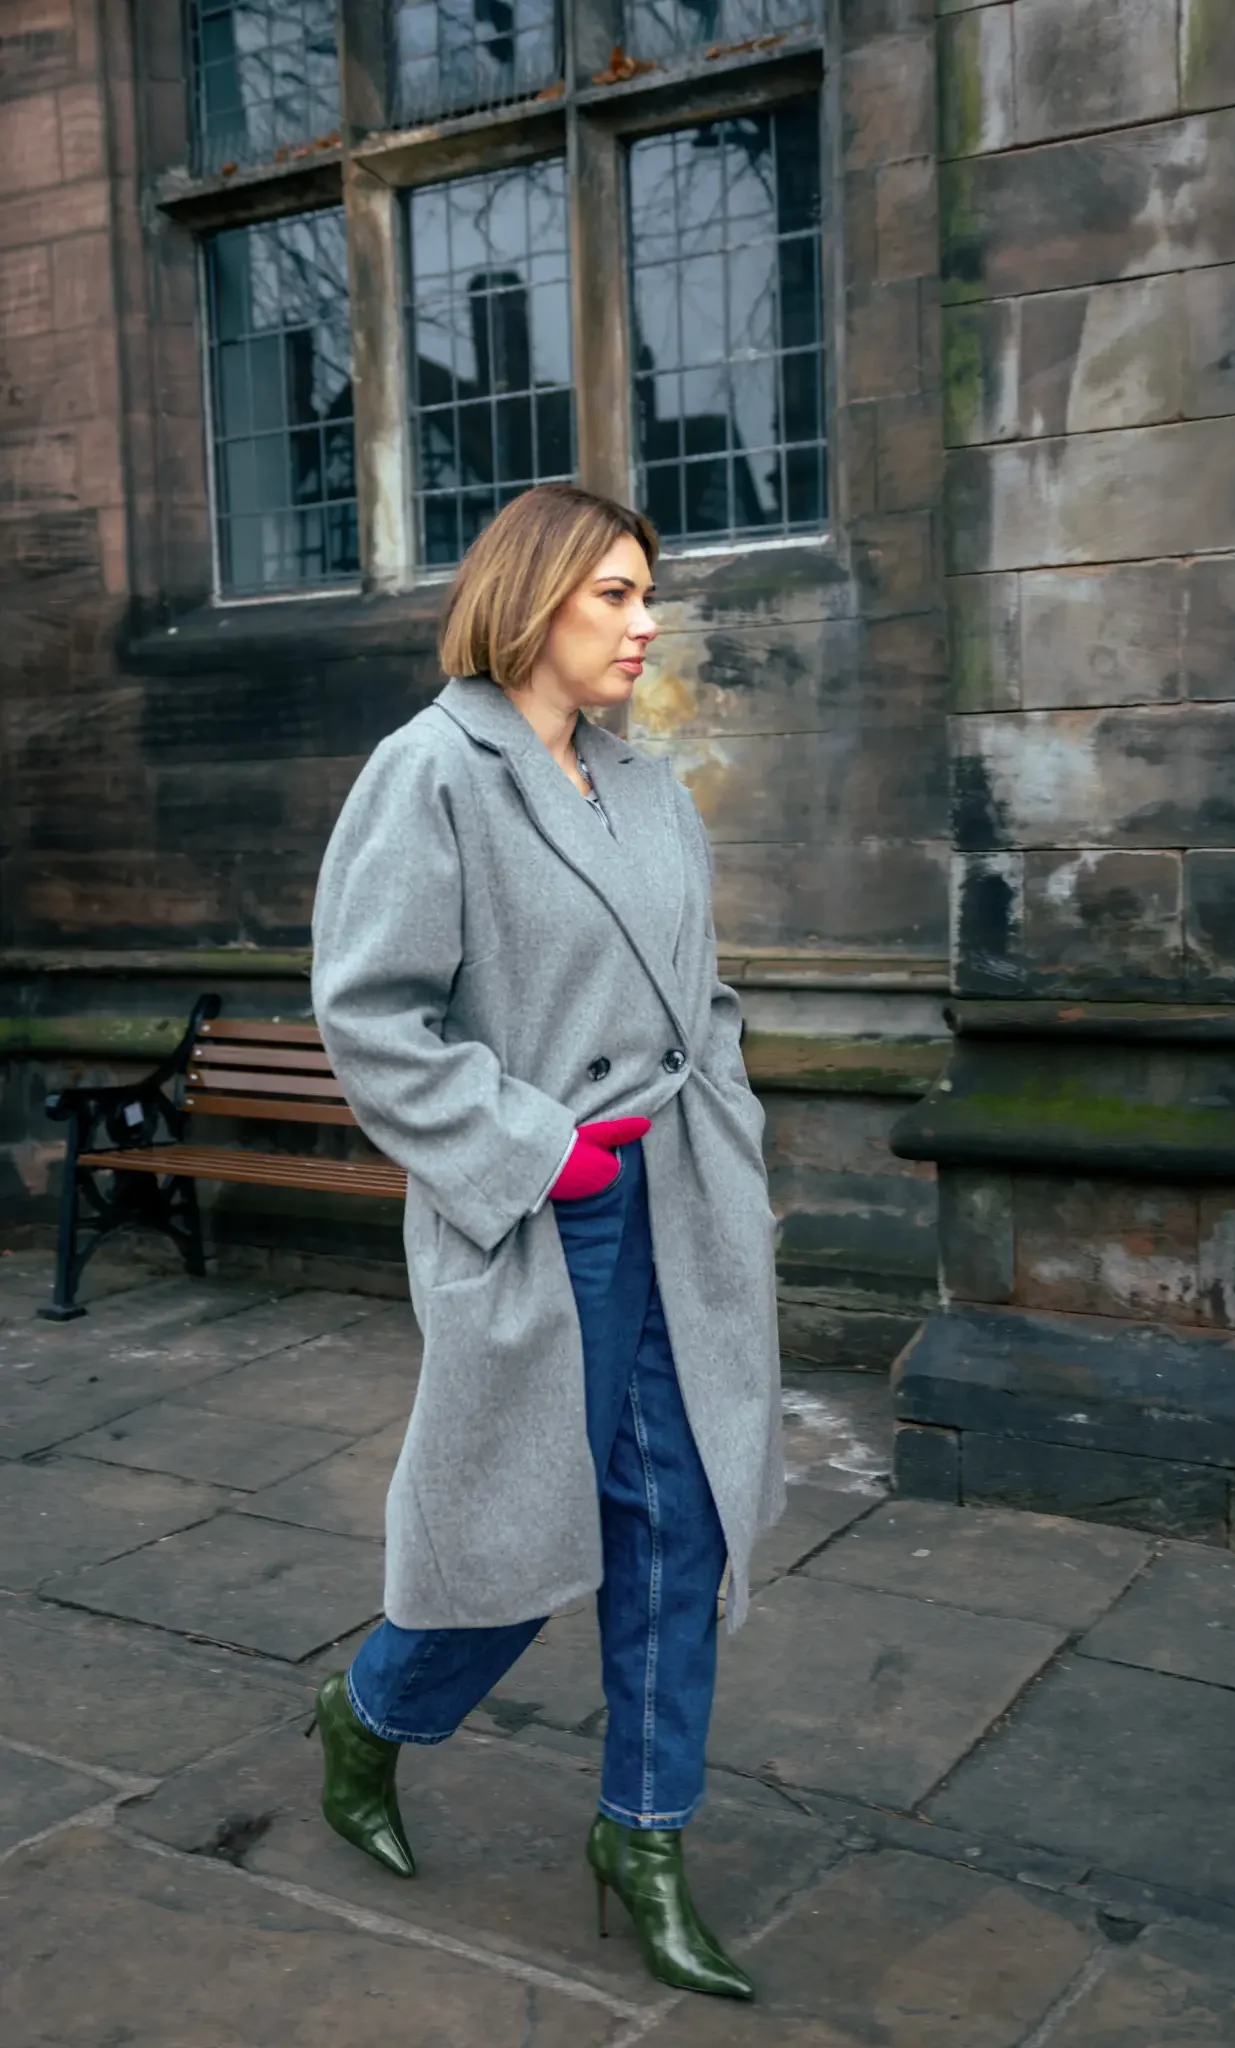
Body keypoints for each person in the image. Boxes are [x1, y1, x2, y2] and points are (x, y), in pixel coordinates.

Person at [307, 482, 784, 2001]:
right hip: (543, 1213)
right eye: (616, 598)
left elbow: (699, 990)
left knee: (683, 1524)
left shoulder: (642, 780)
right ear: (532, 602)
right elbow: (371, 1014)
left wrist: (726, 1121)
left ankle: (642, 1841)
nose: (647, 627)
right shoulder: (432, 771)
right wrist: (542, 1153)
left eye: (650, 596)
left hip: (679, 1204)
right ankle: (371, 1717)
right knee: (517, 1543)